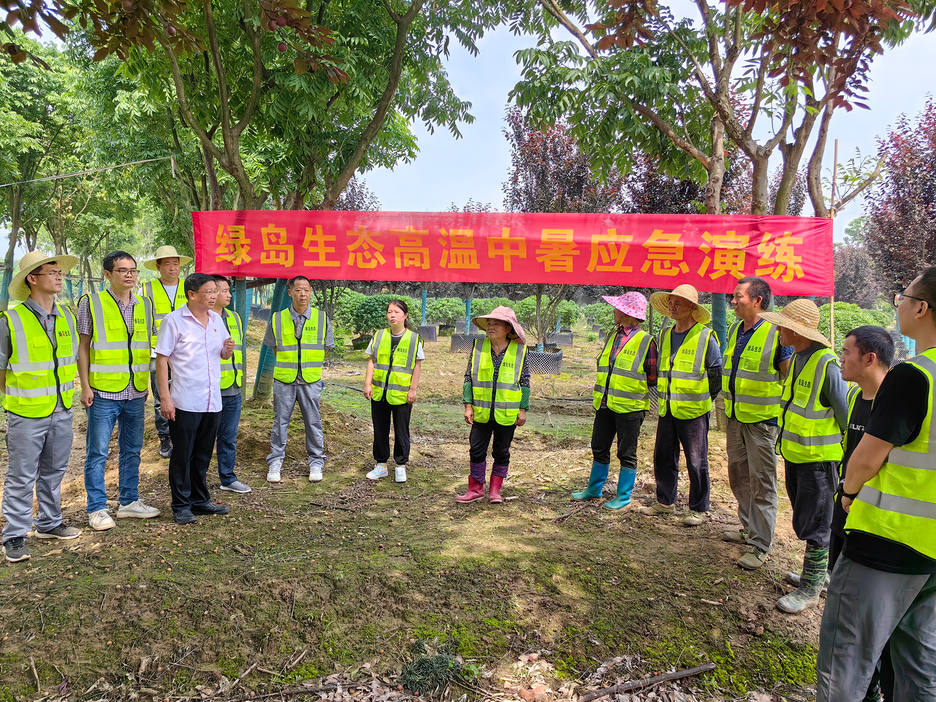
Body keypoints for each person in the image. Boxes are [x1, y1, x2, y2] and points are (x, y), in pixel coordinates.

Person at [817, 267, 936, 701]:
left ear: (921, 308)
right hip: (931, 553)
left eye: (902, 298)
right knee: (918, 662)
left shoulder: (915, 376)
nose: (899, 305)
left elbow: (864, 460)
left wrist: (847, 493)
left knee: (845, 659)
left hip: (889, 542)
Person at [808, 326, 894, 702]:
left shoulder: (893, 403)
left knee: (869, 620)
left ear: (870, 358)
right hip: (846, 510)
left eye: (846, 352)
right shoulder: (859, 396)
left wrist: (853, 492)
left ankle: (870, 686)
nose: (840, 358)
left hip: (873, 521)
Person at [757, 299, 848, 614]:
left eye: (783, 326)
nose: (779, 331)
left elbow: (845, 415)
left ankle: (811, 587)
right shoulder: (797, 359)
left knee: (818, 523)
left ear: (799, 331)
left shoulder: (827, 364)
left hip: (819, 462)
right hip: (796, 457)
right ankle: (816, 573)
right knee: (807, 518)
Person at [1, 252, 83, 562]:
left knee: (53, 472)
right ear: (32, 279)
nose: (59, 276)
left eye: (60, 272)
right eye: (52, 272)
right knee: (21, 476)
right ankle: (14, 535)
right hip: (26, 413)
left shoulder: (66, 317)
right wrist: (20, 398)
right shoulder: (11, 320)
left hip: (62, 411)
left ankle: (49, 523)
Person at [77, 251, 161, 531]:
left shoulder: (145, 305)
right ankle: (97, 508)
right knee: (98, 452)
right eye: (122, 270)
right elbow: (83, 347)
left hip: (135, 391)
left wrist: (146, 384)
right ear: (108, 275)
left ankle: (129, 502)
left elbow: (143, 348)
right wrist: (85, 385)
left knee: (132, 450)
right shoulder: (92, 302)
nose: (129, 275)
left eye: (133, 270)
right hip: (103, 392)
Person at [721, 277, 793, 570]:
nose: (733, 301)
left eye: (738, 296)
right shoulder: (735, 329)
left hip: (763, 422)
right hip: (735, 418)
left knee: (763, 482)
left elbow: (788, 377)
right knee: (738, 475)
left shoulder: (777, 333)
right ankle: (749, 528)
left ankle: (761, 544)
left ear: (757, 300)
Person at [639, 284, 722, 526]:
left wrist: (705, 399)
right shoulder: (664, 335)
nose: (673, 307)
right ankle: (665, 502)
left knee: (696, 460)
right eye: (671, 302)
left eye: (679, 303)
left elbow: (715, 375)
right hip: (667, 408)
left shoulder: (705, 336)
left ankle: (699, 507)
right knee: (663, 456)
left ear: (692, 308)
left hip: (694, 411)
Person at [156, 273, 234, 525]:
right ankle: (181, 504)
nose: (214, 296)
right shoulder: (174, 321)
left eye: (216, 291)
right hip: (186, 400)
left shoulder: (216, 319)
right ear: (192, 294)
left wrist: (226, 351)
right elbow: (162, 359)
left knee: (202, 454)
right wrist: (165, 399)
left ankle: (200, 500)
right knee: (183, 455)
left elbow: (221, 354)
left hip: (212, 400)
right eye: (209, 291)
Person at [571, 292, 657, 509]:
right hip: (605, 403)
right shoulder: (613, 335)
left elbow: (652, 376)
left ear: (627, 313)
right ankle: (594, 489)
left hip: (630, 407)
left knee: (626, 452)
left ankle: (623, 496)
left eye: (617, 308)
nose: (613, 311)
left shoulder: (646, 341)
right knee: (599, 446)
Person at [264, 276, 334, 483]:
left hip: (310, 381)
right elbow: (275, 347)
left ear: (310, 292)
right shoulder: (277, 318)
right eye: (298, 290)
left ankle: (316, 462)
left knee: (313, 422)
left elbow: (326, 348)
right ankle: (275, 461)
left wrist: (307, 364)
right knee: (280, 423)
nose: (303, 294)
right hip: (284, 380)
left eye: (307, 290)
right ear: (290, 292)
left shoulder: (321, 318)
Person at [457, 306, 529, 504]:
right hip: (481, 410)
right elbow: (468, 377)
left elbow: (525, 381)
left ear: (508, 328)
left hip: (507, 412)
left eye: (495, 323)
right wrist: (468, 405)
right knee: (476, 449)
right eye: (489, 323)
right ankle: (475, 488)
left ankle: (495, 491)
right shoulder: (479, 346)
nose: (490, 326)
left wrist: (522, 409)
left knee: (501, 451)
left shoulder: (520, 351)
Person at [363, 299, 424, 483]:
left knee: (401, 430)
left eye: (396, 312)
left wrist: (413, 390)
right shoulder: (380, 335)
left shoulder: (414, 339)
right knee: (380, 430)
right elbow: (372, 360)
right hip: (380, 392)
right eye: (390, 312)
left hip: (402, 394)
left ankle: (400, 465)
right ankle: (381, 465)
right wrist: (367, 384)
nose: (392, 315)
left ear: (405, 315)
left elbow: (417, 366)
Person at [141, 245, 192, 459]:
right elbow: (141, 321)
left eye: (176, 263)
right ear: (158, 266)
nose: (173, 268)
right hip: (157, 351)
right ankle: (165, 437)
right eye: (168, 263)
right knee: (162, 395)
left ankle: (183, 434)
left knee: (185, 393)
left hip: (185, 352)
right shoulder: (146, 289)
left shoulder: (189, 287)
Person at [210, 275, 251, 494]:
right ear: (211, 292)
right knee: (204, 437)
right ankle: (196, 481)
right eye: (224, 290)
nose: (228, 295)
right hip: (210, 389)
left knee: (228, 436)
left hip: (233, 387)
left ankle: (228, 478)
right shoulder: (202, 318)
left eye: (229, 291)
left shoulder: (234, 317)